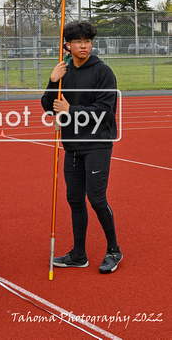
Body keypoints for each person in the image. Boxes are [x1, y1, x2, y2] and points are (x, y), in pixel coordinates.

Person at [41, 21, 122, 274]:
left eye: (87, 41)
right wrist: (53, 82)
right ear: (68, 44)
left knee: (96, 199)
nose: (83, 45)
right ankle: (78, 254)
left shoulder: (103, 72)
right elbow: (48, 105)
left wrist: (70, 110)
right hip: (72, 145)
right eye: (78, 41)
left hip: (97, 144)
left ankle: (113, 250)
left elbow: (104, 111)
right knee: (74, 198)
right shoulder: (64, 70)